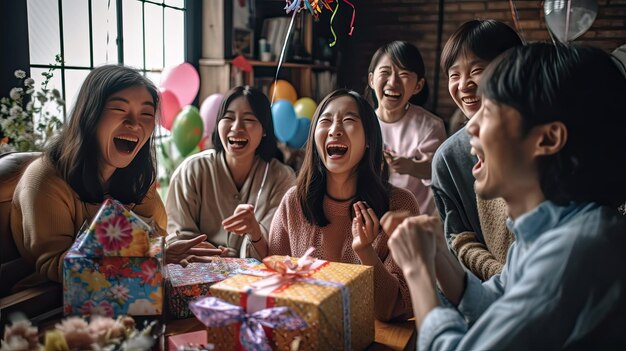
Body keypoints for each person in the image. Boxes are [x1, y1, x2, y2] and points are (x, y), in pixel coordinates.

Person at [388, 43, 626, 349]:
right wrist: (438, 256)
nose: (469, 126)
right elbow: (496, 306)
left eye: (488, 111)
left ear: (548, 138)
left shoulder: (575, 250)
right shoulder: (546, 231)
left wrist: (418, 271)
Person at [10, 65, 209, 290]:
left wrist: (163, 253)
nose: (134, 123)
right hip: (56, 304)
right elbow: (56, 266)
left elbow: (154, 238)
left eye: (146, 114)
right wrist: (152, 257)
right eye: (119, 109)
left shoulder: (138, 177)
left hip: (131, 293)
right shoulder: (45, 178)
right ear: (90, 114)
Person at [255, 89, 419, 321]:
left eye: (348, 120)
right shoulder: (294, 201)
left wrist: (366, 252)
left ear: (369, 140)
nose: (335, 130)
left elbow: (392, 309)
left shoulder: (400, 206)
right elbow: (275, 286)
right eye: (326, 121)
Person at [431, 20, 523, 280]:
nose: (463, 85)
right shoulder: (448, 158)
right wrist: (505, 278)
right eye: (453, 75)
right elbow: (458, 238)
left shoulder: (538, 137)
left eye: (477, 70)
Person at [165, 86, 296, 260]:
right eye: (228, 118)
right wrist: (207, 254)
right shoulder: (191, 171)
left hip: (255, 283)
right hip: (195, 276)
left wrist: (254, 231)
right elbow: (176, 237)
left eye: (249, 119)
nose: (237, 127)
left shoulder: (282, 178)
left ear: (265, 129)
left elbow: (276, 249)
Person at [366, 41, 446, 215]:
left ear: (418, 85)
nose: (393, 81)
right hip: (371, 221)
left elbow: (439, 173)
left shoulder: (430, 126)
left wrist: (411, 166)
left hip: (414, 225)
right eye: (385, 72)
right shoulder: (362, 124)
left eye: (403, 74)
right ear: (372, 80)